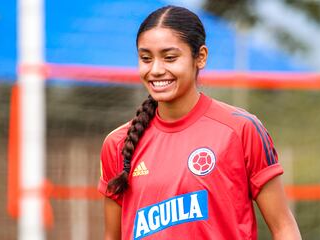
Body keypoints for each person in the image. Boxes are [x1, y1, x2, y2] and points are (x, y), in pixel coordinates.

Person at [98, 5, 301, 240]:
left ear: (200, 57)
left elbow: (284, 228)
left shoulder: (241, 129)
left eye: (170, 58)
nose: (155, 69)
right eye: (146, 58)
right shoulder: (118, 143)